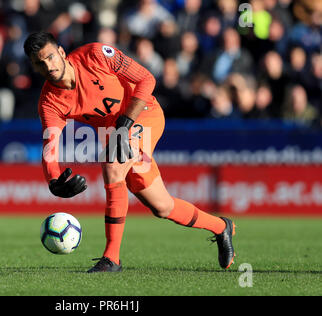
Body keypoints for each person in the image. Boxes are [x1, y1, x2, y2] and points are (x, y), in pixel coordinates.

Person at [24, 31, 236, 273]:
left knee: (112, 164)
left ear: (61, 52)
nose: (48, 66)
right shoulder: (49, 101)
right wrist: (53, 180)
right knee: (162, 207)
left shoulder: (95, 55)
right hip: (118, 132)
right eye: (40, 63)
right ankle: (221, 227)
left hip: (144, 113)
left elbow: (147, 79)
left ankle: (111, 258)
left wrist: (125, 122)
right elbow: (50, 146)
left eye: (50, 57)